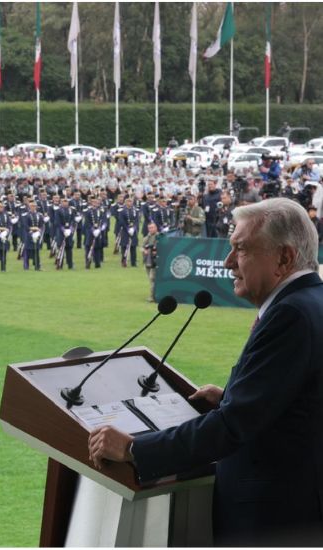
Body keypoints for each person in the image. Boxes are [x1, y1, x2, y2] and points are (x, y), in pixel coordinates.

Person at [88, 198, 323, 546]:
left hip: (275, 519)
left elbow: (232, 427)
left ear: (284, 258)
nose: (229, 262)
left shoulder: (291, 315)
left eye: (240, 249)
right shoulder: (311, 301)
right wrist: (229, 398)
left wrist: (135, 450)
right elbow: (294, 400)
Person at [141, 222, 158, 302]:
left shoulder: (159, 237)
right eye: (149, 228)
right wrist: (144, 250)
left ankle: (152, 297)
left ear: (156, 228)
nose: (151, 229)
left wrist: (156, 251)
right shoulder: (146, 238)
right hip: (147, 261)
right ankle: (154, 295)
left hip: (155, 262)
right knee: (151, 279)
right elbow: (141, 247)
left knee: (152, 278)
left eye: (152, 227)